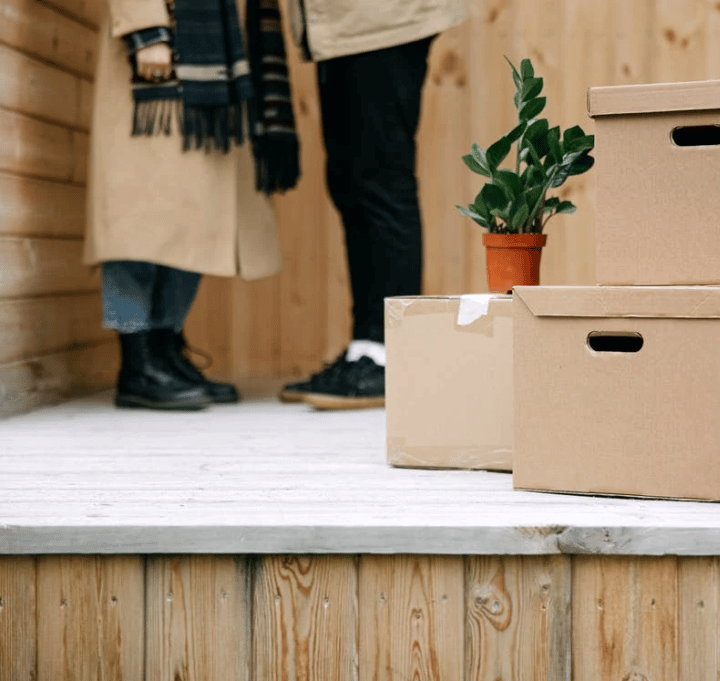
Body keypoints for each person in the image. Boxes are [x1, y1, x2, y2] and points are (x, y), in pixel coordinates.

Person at [86, 0, 299, 409]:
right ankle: (136, 361)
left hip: (211, 74)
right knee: (133, 225)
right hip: (153, 60)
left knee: (195, 222)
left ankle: (164, 350)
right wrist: (145, 30)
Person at [278, 0, 466, 409]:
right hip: (342, 28)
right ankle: (365, 349)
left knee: (381, 181)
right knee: (350, 182)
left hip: (382, 20)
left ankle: (386, 353)